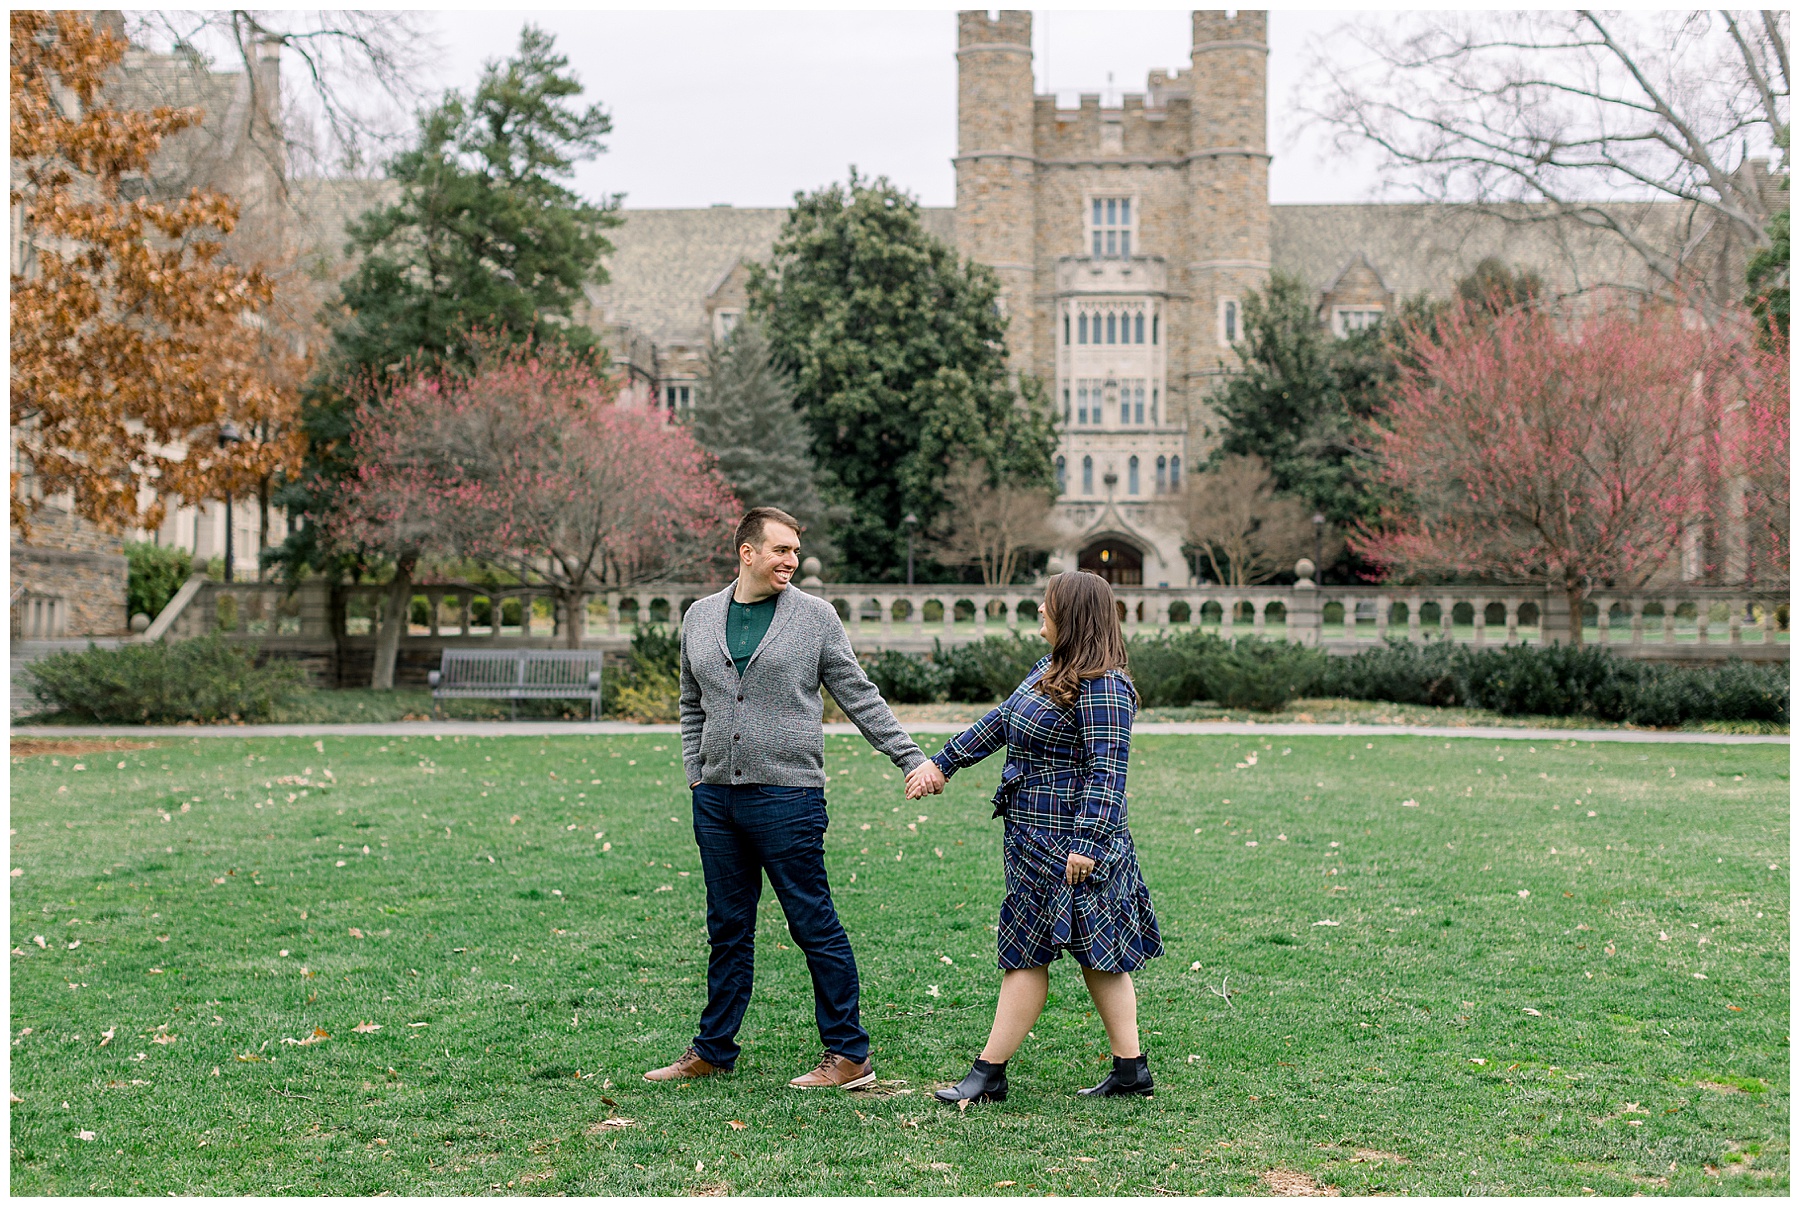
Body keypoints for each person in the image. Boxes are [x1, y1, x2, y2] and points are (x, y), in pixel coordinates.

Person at [645, 507, 929, 1091]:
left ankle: (849, 1053)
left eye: (795, 551)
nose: (790, 561)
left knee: (811, 922)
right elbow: (689, 702)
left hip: (787, 796)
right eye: (780, 550)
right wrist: (696, 772)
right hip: (716, 800)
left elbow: (857, 694)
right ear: (746, 552)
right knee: (727, 927)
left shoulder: (814, 618)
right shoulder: (700, 617)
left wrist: (910, 756)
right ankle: (713, 1049)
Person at [904, 570, 1163, 1102]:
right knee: (1093, 955)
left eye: (1046, 606)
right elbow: (1001, 722)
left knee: (1035, 954)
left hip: (1074, 847)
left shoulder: (1105, 685)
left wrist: (1087, 846)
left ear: (1072, 616)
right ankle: (1131, 1071)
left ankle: (988, 1072)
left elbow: (1107, 774)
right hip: (1031, 841)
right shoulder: (1050, 669)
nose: (1039, 613)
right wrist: (942, 764)